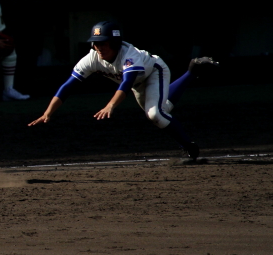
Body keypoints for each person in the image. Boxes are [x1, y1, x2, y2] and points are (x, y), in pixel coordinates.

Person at [28, 20, 219, 159]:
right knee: (163, 110)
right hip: (138, 84)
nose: (98, 47)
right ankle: (192, 71)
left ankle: (189, 147)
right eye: (96, 43)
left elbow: (126, 83)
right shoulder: (92, 57)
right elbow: (68, 85)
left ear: (115, 43)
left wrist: (111, 105)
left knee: (155, 115)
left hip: (154, 72)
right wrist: (48, 113)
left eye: (103, 43)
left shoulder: (129, 55)